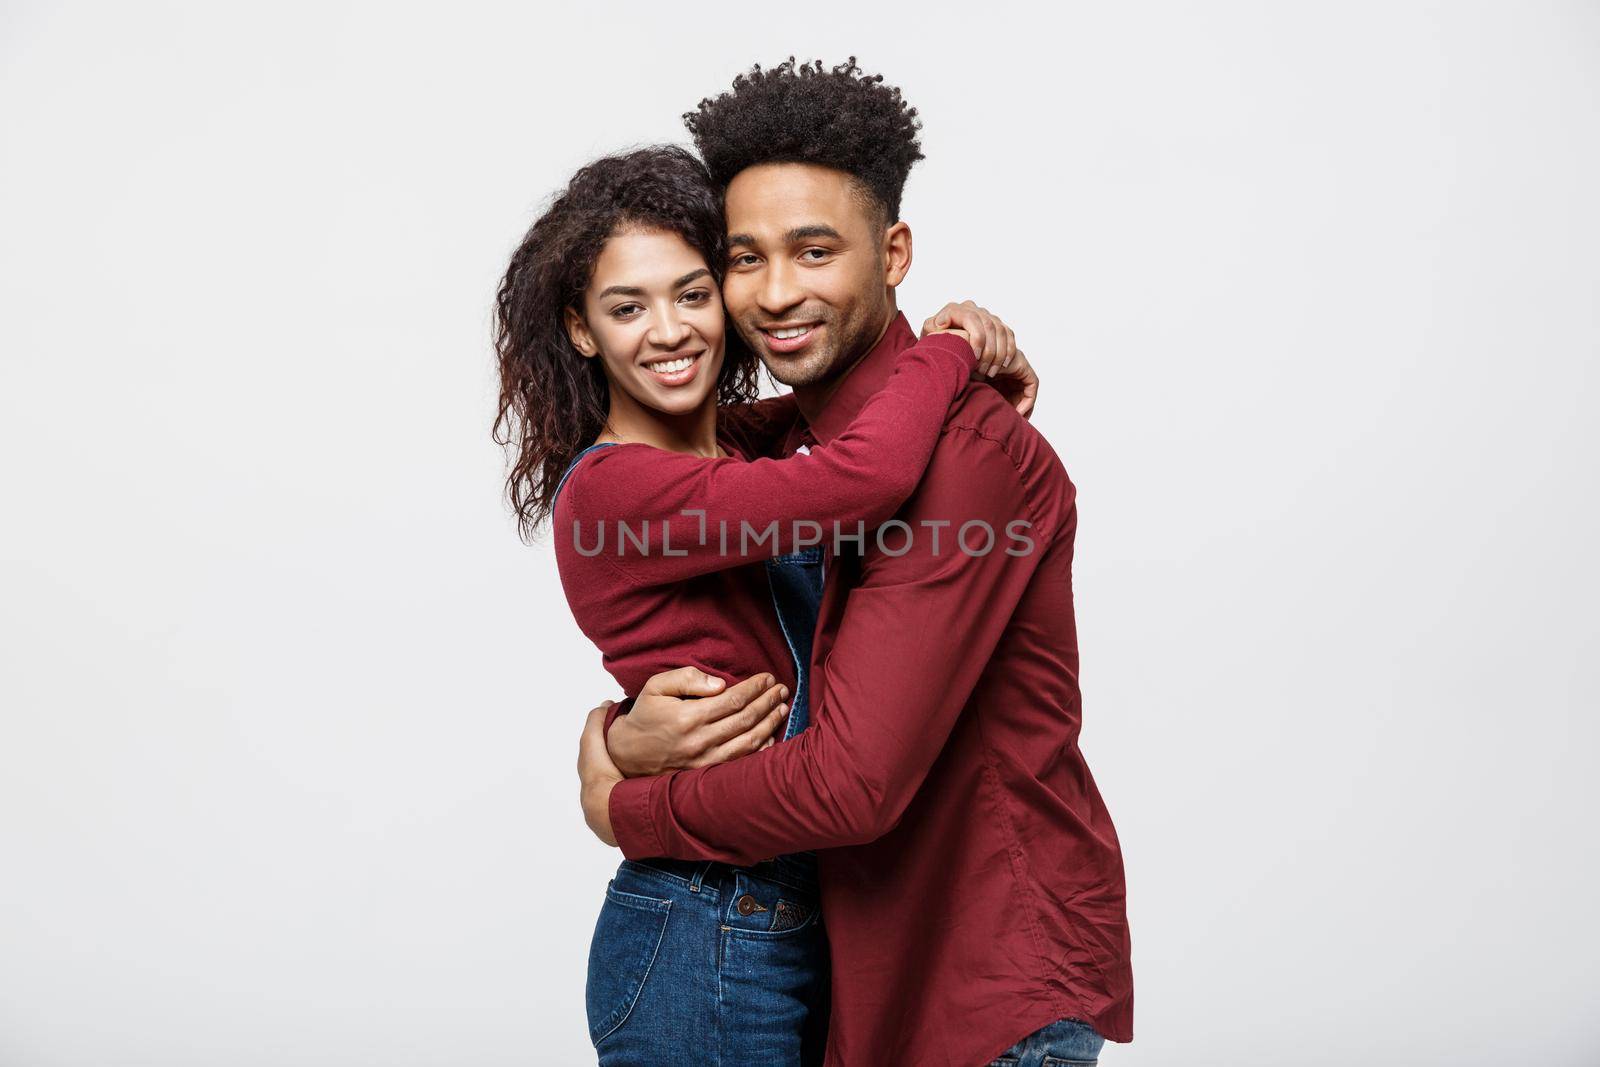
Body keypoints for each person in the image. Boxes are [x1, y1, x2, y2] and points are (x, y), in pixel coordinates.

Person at [575, 58, 1134, 1066]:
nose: (777, 292)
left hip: (979, 992)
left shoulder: (960, 459)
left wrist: (623, 801)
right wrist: (625, 728)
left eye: (814, 249)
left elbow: (847, 784)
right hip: (866, 983)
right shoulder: (799, 450)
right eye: (744, 258)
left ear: (892, 253)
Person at [493, 143, 1035, 1064]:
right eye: (628, 307)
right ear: (581, 331)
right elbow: (865, 473)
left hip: (787, 913)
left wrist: (961, 341)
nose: (670, 330)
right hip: (702, 918)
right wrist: (947, 349)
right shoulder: (614, 489)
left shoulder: (731, 457)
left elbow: (829, 414)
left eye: (694, 293)